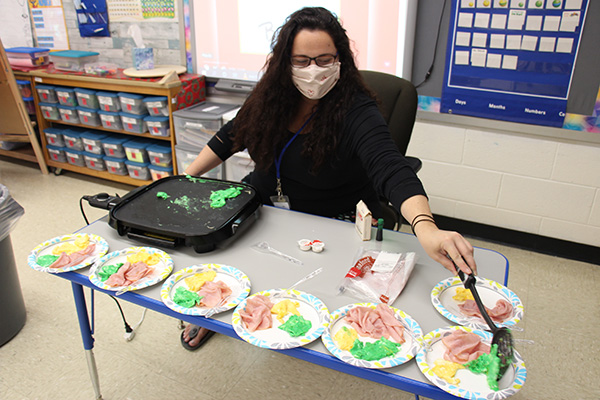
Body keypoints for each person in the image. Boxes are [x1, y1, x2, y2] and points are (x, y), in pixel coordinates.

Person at [181, 7, 477, 351]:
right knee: (223, 250)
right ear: (284, 62)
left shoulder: (356, 108)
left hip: (332, 215)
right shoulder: (271, 95)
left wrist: (425, 226)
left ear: (340, 60)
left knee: (312, 291)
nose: (314, 71)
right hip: (264, 197)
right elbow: (231, 136)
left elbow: (391, 167)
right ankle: (214, 309)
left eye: (324, 60)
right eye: (302, 61)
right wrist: (184, 179)